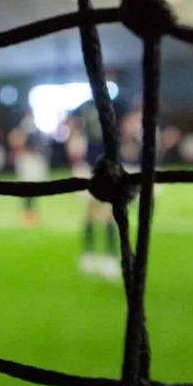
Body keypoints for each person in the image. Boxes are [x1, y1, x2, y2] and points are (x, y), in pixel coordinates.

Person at [68, 118, 119, 280]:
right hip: (89, 172)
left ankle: (109, 257)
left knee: (108, 216)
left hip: (104, 173)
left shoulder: (107, 136)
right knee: (89, 216)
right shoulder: (87, 138)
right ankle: (89, 255)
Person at [9, 124, 48, 226]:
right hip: (27, 177)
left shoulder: (32, 155)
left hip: (30, 177)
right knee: (27, 197)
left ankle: (31, 216)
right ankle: (28, 216)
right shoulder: (23, 156)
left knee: (30, 196)